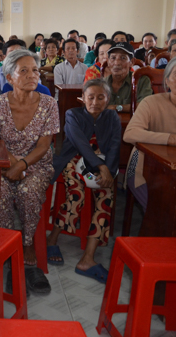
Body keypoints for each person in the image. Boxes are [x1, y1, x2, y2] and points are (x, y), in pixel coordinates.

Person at [0, 49, 59, 293]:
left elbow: (44, 146)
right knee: (1, 190)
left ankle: (27, 243)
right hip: (4, 162)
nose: (31, 75)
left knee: (28, 189)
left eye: (35, 70)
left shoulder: (49, 104)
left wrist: (22, 165)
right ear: (9, 77)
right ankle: (7, 245)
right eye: (23, 70)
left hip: (37, 164)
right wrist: (11, 164)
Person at [47, 79, 121, 283]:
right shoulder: (73, 115)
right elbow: (81, 144)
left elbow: (115, 145)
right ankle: (52, 239)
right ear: (82, 98)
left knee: (106, 197)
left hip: (102, 166)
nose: (95, 102)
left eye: (101, 97)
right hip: (74, 161)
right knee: (76, 195)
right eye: (91, 97)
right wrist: (101, 167)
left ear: (108, 99)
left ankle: (88, 258)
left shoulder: (112, 117)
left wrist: (108, 171)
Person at [123, 58, 176, 212]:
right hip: (146, 170)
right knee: (163, 212)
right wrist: (169, 138)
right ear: (167, 81)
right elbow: (130, 134)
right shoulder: (151, 103)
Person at [104, 42, 152, 113]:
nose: (117, 63)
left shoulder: (141, 81)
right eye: (113, 58)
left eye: (123, 58)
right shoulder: (102, 83)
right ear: (108, 62)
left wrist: (116, 107)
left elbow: (145, 105)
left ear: (132, 62)